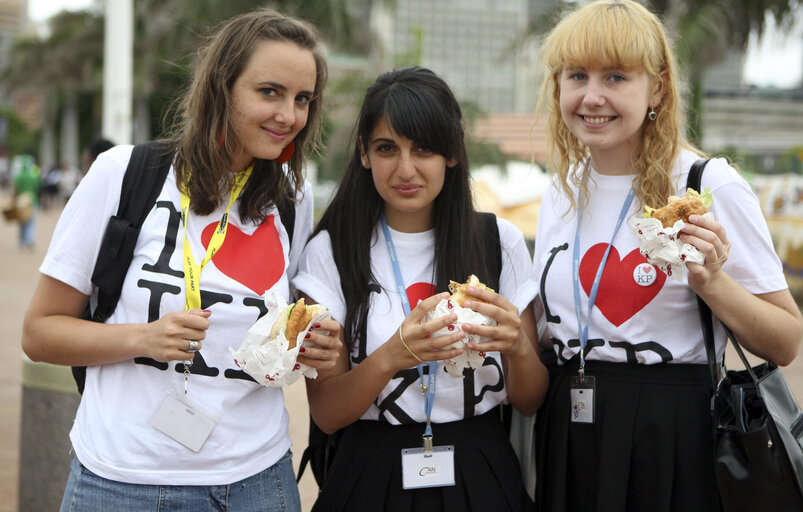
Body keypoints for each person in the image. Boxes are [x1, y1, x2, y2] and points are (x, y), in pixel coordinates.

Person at [21, 9, 340, 511]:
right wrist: (142, 338)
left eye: (303, 99)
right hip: (122, 480)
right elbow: (39, 333)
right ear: (222, 87)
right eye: (270, 92)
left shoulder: (293, 196)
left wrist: (307, 345)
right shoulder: (124, 173)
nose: (289, 115)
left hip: (257, 479)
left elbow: (278, 333)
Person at [530, 1, 803, 511]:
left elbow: (786, 340)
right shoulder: (560, 189)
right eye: (577, 76)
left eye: (615, 77)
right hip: (570, 426)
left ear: (657, 88)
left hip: (674, 431)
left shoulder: (707, 182)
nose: (592, 96)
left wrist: (713, 283)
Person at [293, 66, 548, 511]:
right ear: (364, 154)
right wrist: (394, 354)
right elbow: (328, 414)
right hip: (370, 471)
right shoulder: (331, 251)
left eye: (424, 148)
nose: (405, 169)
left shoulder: (497, 241)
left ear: (451, 153)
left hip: (480, 467)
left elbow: (530, 400)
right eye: (387, 148)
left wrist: (519, 348)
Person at [11, 154, 40, 250]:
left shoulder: (18, 176)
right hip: (32, 201)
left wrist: (14, 200)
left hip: (21, 202)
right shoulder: (33, 176)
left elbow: (14, 190)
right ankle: (30, 240)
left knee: (22, 221)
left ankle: (22, 241)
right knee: (31, 222)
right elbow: (37, 188)